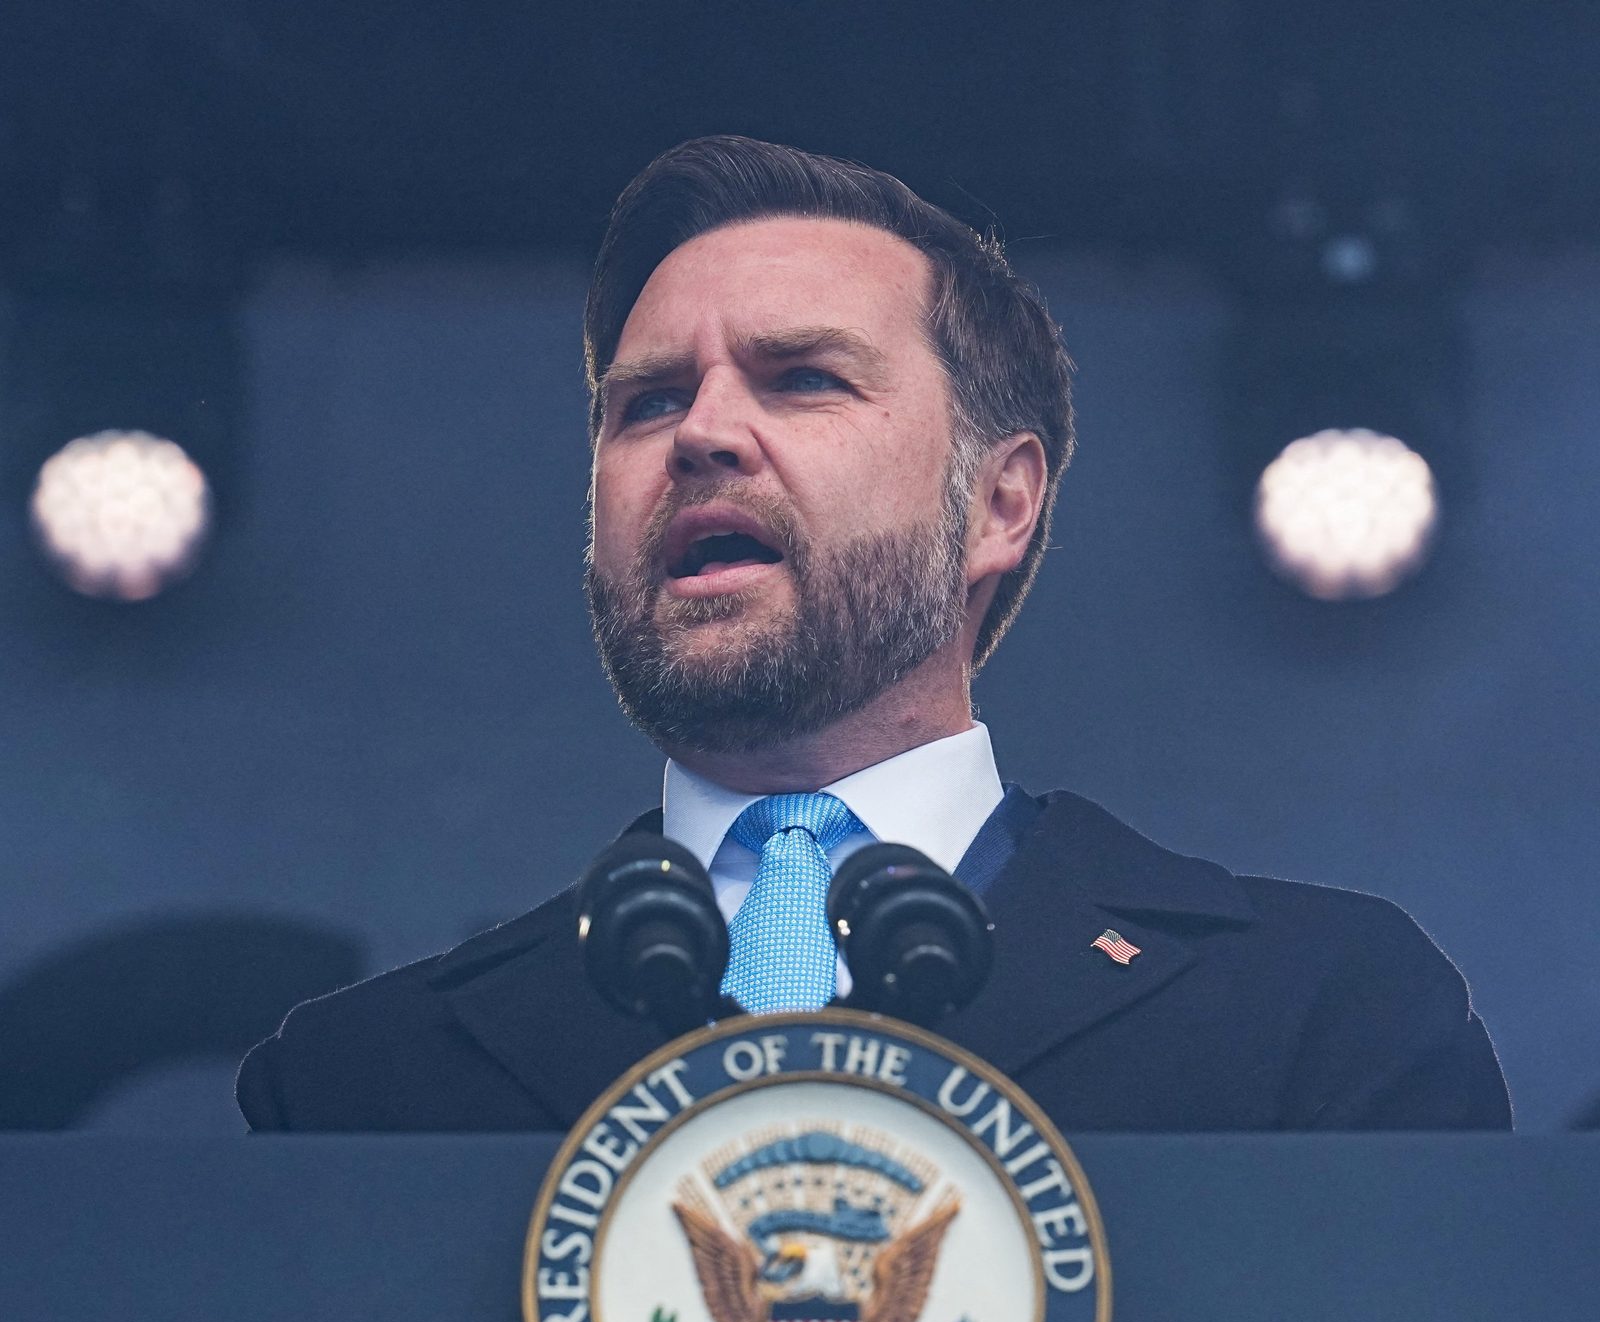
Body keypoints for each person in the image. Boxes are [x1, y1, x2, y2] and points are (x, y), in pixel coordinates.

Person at [237, 135, 1511, 1133]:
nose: (700, 434)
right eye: (647, 402)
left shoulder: (1318, 1021)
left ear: (998, 504)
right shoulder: (365, 1087)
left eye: (802, 378)